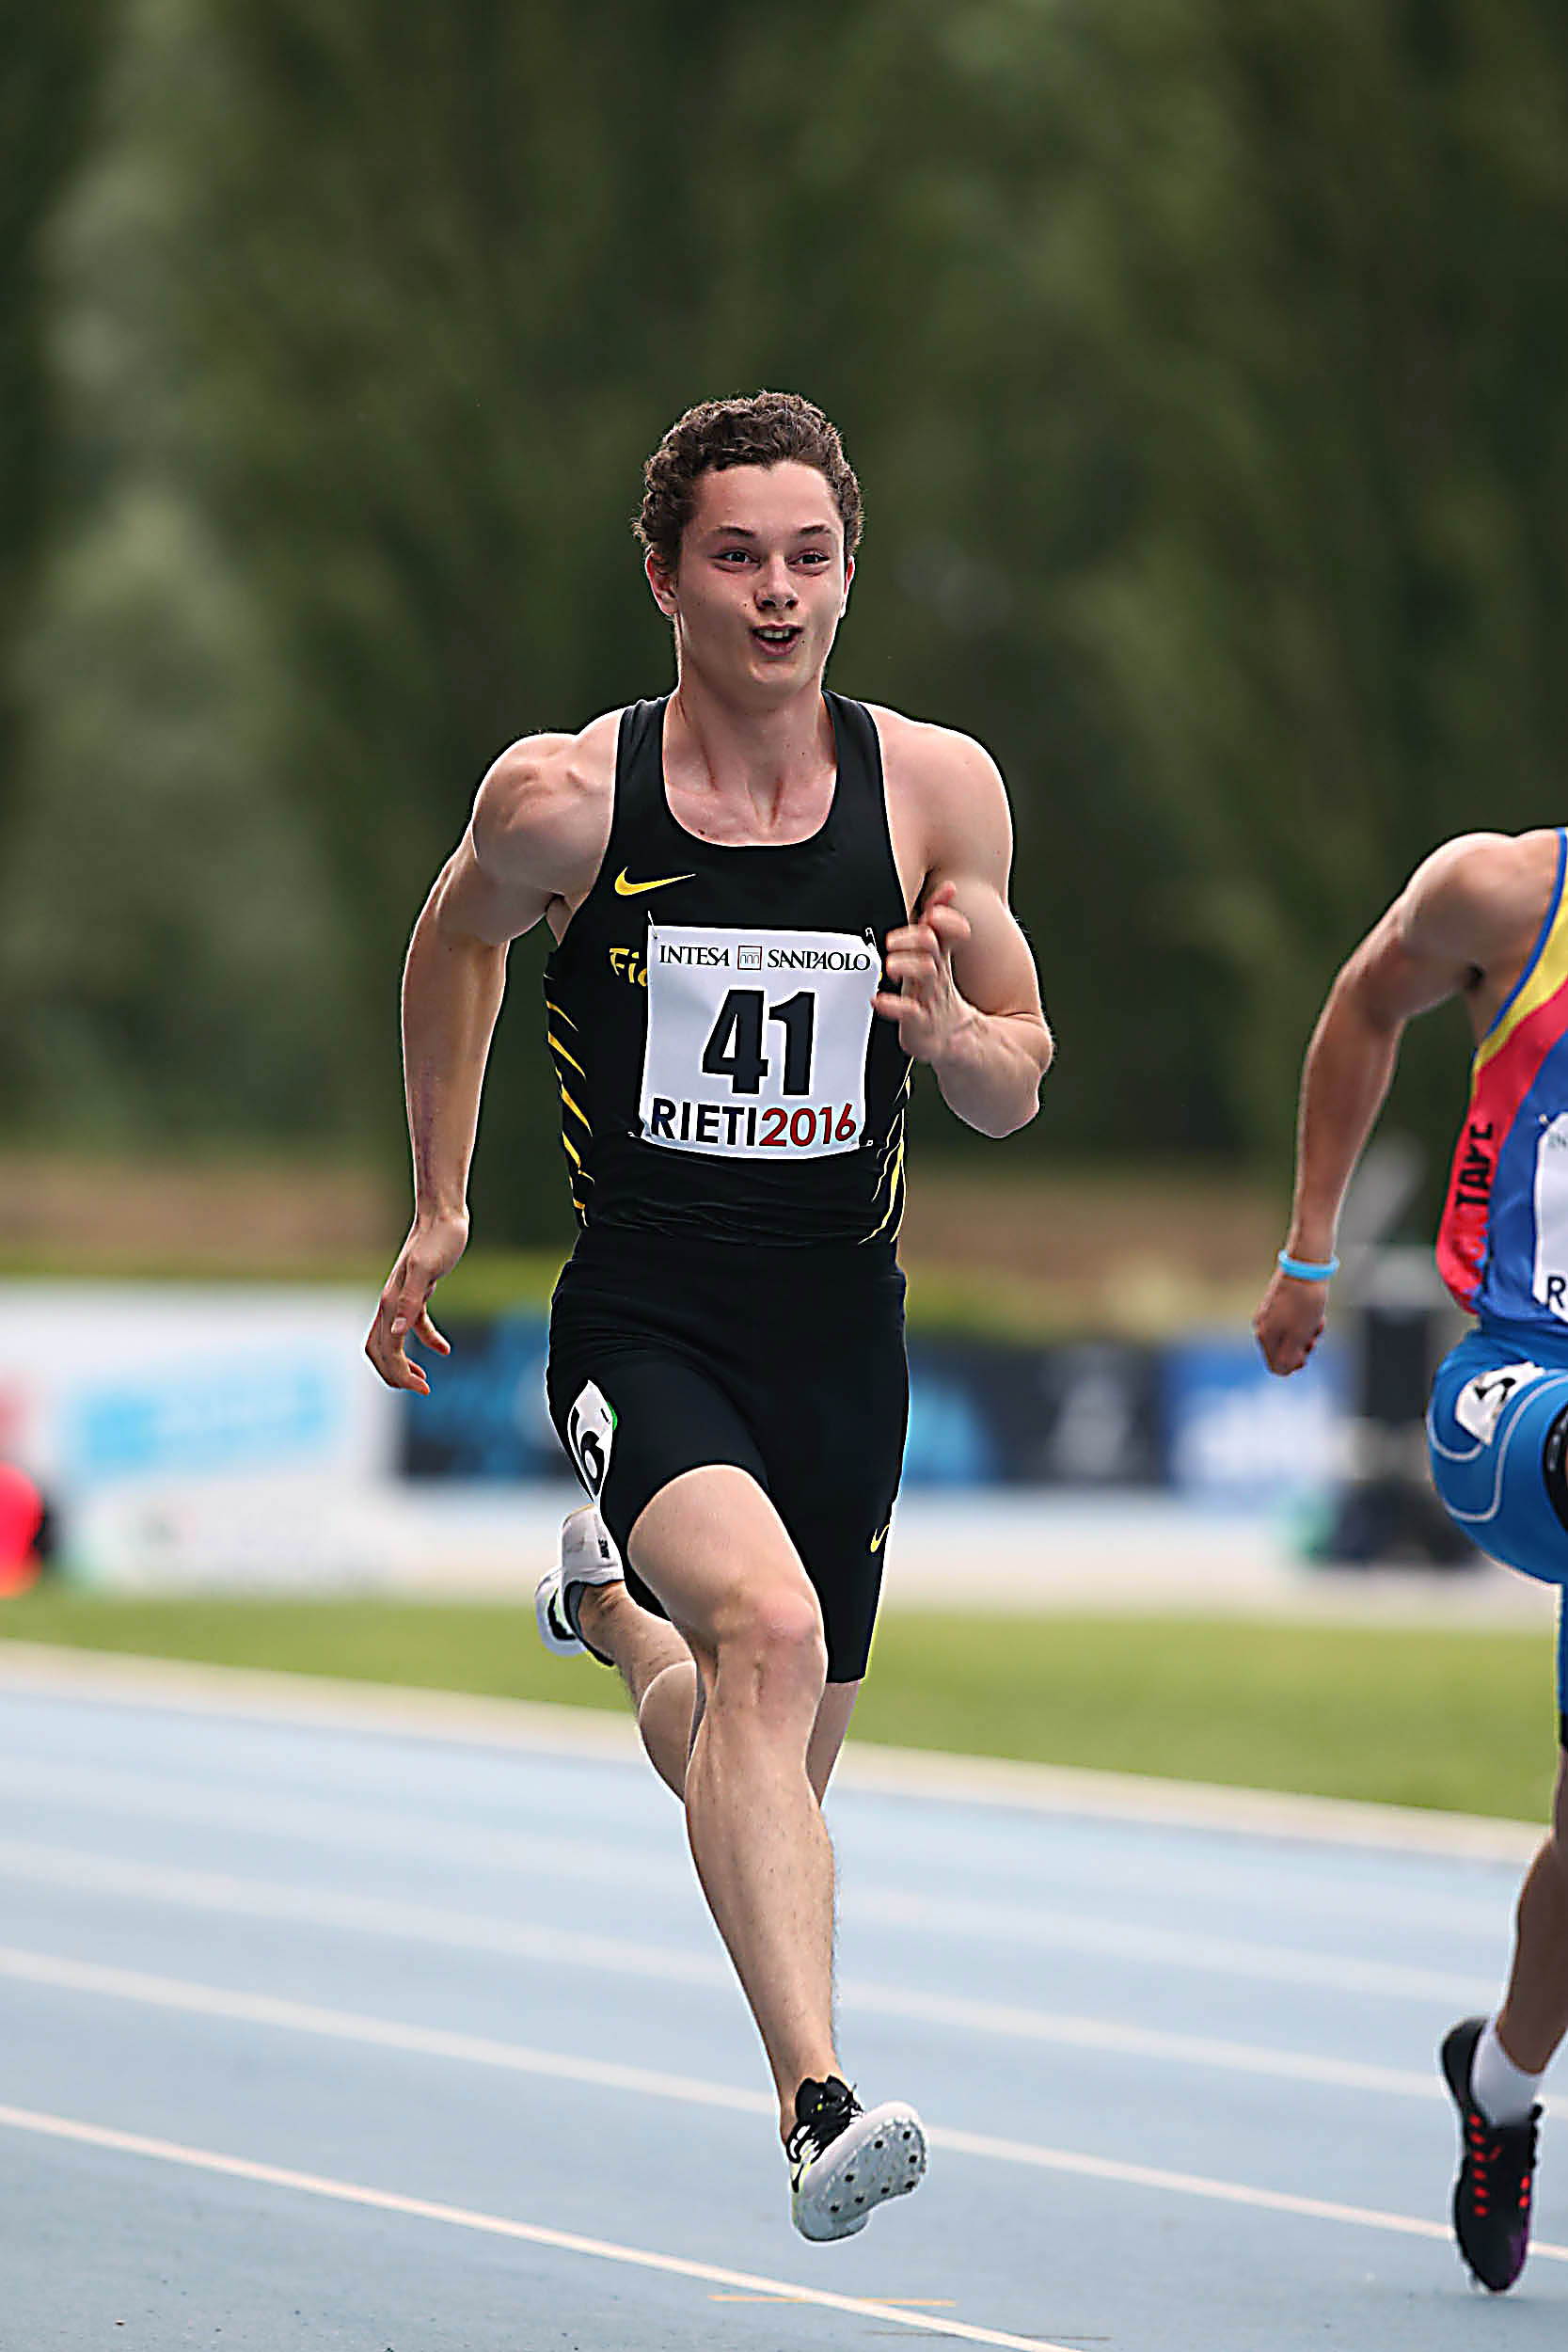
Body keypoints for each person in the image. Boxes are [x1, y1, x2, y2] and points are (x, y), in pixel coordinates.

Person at [365, 390, 1053, 2240]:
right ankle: (818, 2101)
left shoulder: (938, 792)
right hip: (646, 1315)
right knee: (769, 1631)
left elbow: (1018, 1079)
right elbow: (454, 939)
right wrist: (439, 1201)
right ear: (667, 579)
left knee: (756, 1753)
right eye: (738, 557)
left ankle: (607, 1611)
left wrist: (953, 1031)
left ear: (850, 574)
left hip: (844, 1336)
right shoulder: (565, 798)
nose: (778, 592)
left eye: (811, 556)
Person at [1254, 825, 1568, 2294]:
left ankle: (1498, 2087)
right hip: (1519, 1388)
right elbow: (1366, 1001)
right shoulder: (1507, 897)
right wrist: (1311, 1249)